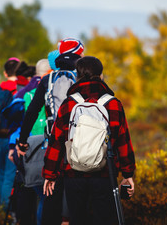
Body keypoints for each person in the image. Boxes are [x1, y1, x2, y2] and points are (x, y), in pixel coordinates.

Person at [42, 56, 136, 225]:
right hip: (105, 175)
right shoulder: (113, 104)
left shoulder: (68, 104)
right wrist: (127, 174)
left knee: (78, 220)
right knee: (105, 220)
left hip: (73, 174)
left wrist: (50, 174)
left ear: (77, 76)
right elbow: (123, 141)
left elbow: (56, 142)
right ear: (101, 75)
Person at [16, 38, 84, 225]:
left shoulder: (48, 79)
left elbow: (32, 111)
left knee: (51, 193)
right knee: (75, 196)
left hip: (53, 145)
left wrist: (22, 140)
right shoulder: (81, 77)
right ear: (78, 54)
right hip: (77, 146)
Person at [8, 58, 51, 225]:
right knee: (46, 197)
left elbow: (15, 125)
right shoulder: (53, 88)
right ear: (49, 72)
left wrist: (14, 146)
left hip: (27, 150)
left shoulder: (23, 94)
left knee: (33, 192)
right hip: (47, 149)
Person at [0, 57, 20, 210]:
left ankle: (0, 209)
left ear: (5, 73)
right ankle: (7, 212)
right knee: (9, 176)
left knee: (0, 175)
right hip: (10, 139)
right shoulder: (19, 89)